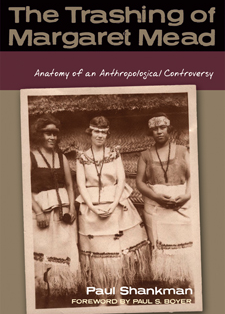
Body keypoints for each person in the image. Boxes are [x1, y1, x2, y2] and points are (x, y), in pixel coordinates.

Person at [76, 116, 151, 298]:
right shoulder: (82, 157)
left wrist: (115, 203)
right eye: (96, 131)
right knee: (97, 255)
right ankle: (102, 297)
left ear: (107, 134)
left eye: (103, 132)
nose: (100, 135)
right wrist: (92, 208)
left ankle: (118, 296)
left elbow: (121, 180)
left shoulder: (114, 154)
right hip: (91, 208)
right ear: (90, 132)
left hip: (116, 206)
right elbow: (81, 185)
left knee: (117, 253)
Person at [136, 113, 193, 286]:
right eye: (154, 129)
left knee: (186, 248)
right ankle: (171, 286)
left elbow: (193, 176)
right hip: (157, 209)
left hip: (182, 205)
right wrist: (156, 196)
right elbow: (139, 182)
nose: (159, 132)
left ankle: (190, 287)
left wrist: (187, 195)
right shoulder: (145, 155)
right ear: (150, 132)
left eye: (162, 127)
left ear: (169, 128)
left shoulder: (183, 151)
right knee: (164, 252)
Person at [30, 114, 80, 304]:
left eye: (54, 134)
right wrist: (38, 211)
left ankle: (62, 293)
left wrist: (72, 208)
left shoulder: (61, 158)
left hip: (63, 212)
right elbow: (22, 186)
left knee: (64, 248)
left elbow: (69, 184)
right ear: (39, 135)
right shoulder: (31, 157)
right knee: (43, 251)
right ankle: (42, 294)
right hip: (41, 211)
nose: (51, 137)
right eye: (47, 133)